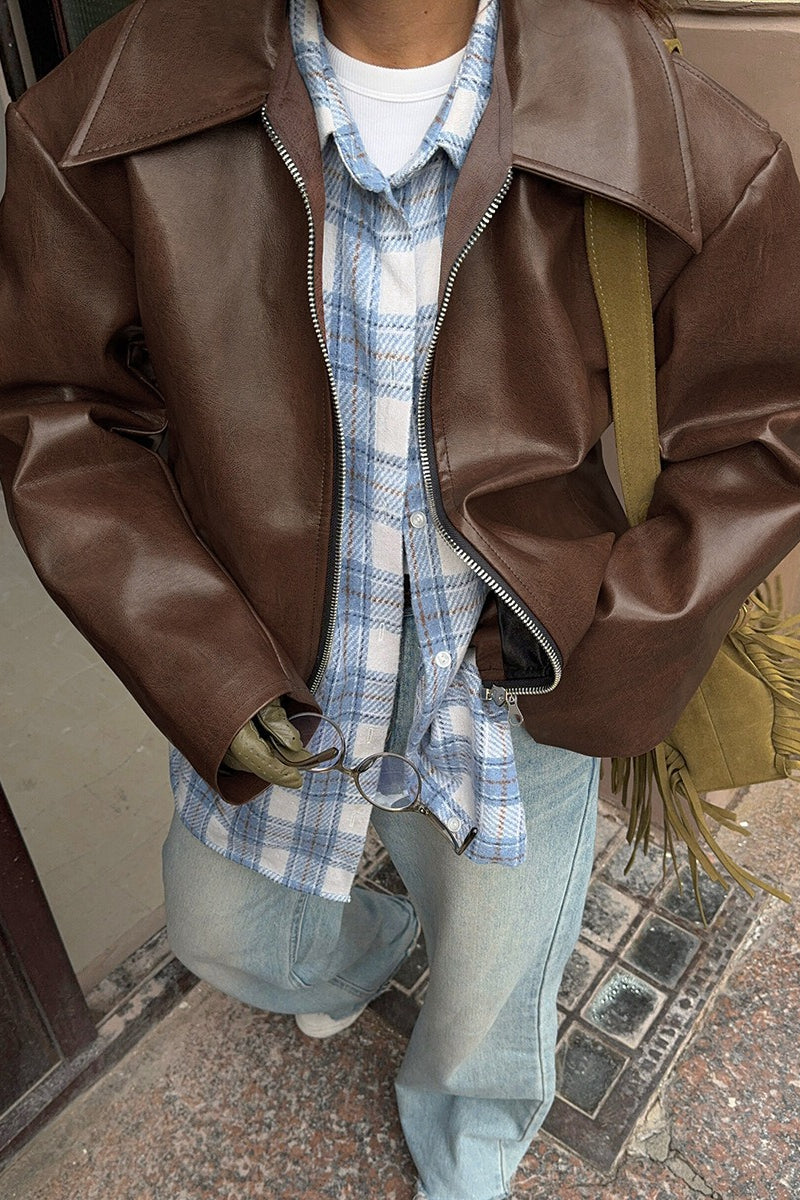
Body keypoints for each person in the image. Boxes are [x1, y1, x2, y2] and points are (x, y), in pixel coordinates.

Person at [1, 0, 799, 1196]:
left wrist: (602, 629)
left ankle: (470, 1151)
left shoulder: (665, 128)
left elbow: (761, 429)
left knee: (489, 982)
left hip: (507, 664)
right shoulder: (116, 107)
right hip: (269, 643)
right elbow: (56, 410)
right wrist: (193, 651)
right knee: (223, 927)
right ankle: (364, 950)